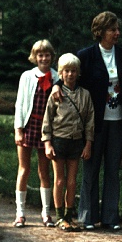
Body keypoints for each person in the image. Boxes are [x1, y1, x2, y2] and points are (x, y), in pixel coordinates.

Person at [51, 11, 122, 231]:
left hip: (118, 120)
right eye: (112, 29)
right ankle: (87, 216)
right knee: (90, 169)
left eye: (118, 29)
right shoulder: (87, 55)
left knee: (112, 169)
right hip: (93, 123)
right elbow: (66, 70)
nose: (117, 33)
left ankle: (111, 217)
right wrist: (55, 84)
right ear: (100, 32)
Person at [42, 53, 95, 232]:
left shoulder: (85, 95)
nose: (70, 74)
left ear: (78, 73)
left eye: (73, 71)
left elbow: (89, 121)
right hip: (59, 141)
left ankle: (69, 215)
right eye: (66, 71)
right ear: (61, 73)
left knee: (72, 181)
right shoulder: (55, 94)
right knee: (59, 180)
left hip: (76, 142)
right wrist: (47, 143)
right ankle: (59, 217)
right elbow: (47, 120)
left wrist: (88, 143)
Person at [12, 39, 58, 228]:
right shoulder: (27, 76)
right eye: (40, 55)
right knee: (24, 169)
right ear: (34, 57)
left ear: (51, 57)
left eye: (47, 55)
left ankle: (46, 213)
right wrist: (18, 130)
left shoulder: (56, 77)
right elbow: (20, 104)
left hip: (46, 130)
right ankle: (20, 213)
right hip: (28, 126)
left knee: (44, 171)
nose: (43, 58)